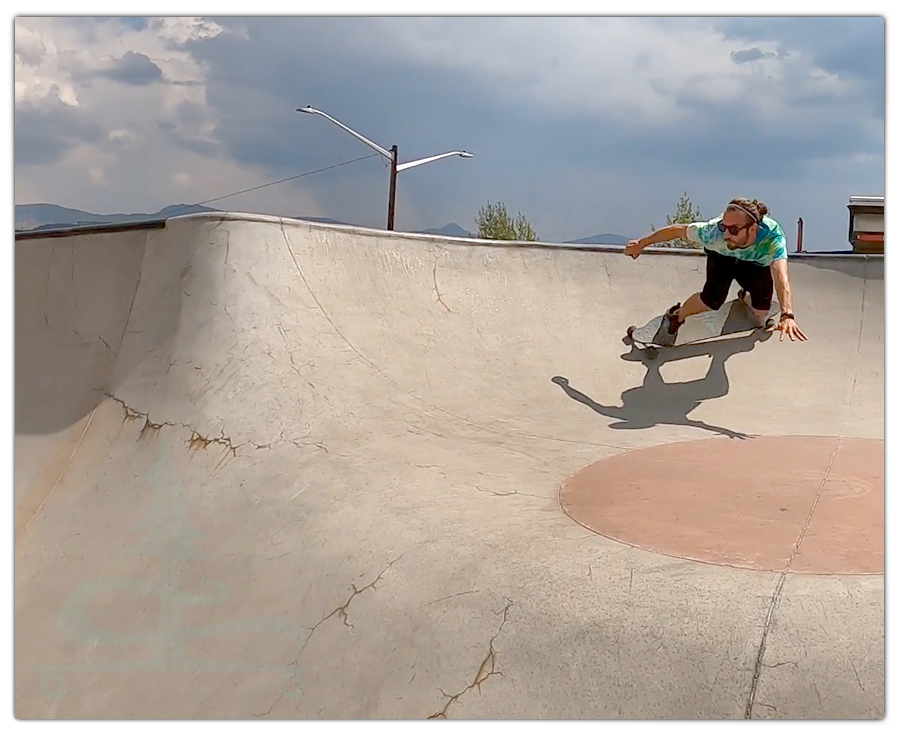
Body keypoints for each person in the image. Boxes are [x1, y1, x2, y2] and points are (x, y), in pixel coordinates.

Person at [624, 198, 807, 342]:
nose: (726, 234)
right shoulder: (712, 234)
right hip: (722, 258)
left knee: (760, 315)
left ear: (753, 229)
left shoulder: (772, 237)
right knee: (710, 301)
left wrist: (787, 314)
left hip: (755, 264)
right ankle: (675, 317)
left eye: (734, 230)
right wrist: (642, 243)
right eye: (724, 227)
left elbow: (781, 276)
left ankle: (746, 298)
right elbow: (676, 231)